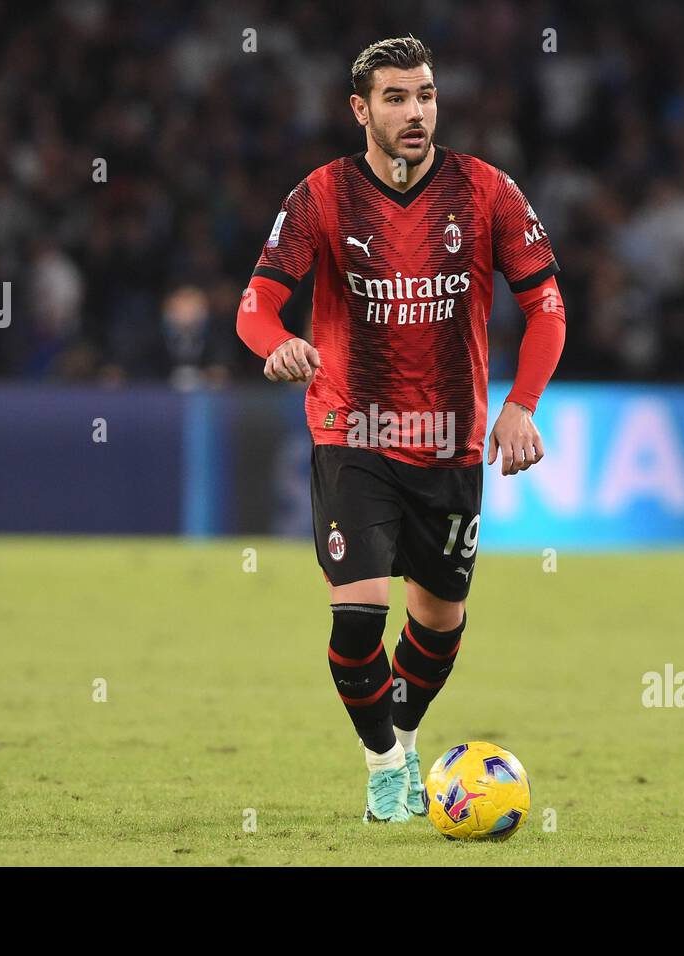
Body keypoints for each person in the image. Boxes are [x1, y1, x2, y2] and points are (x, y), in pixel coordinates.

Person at [236, 35, 566, 822]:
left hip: (452, 442)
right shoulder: (321, 196)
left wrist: (523, 402)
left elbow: (546, 303)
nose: (416, 112)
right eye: (395, 98)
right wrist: (277, 344)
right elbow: (255, 304)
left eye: (425, 95)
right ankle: (385, 763)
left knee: (440, 623)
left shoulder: (486, 190)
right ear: (361, 109)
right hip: (354, 432)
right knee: (357, 616)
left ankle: (406, 737)